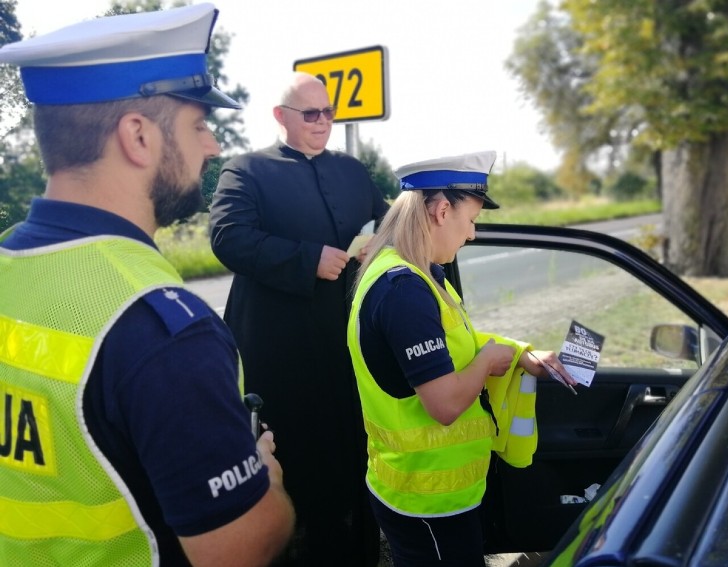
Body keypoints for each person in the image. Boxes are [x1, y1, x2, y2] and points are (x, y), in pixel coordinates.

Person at [0, 5, 295, 565]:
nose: (212, 147)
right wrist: (267, 479)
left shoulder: (10, 259)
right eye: (198, 125)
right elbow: (240, 547)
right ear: (137, 135)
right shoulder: (160, 331)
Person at [346, 151, 578, 566]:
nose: (470, 235)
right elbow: (446, 404)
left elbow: (457, 341)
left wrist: (517, 353)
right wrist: (487, 362)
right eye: (470, 222)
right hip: (429, 501)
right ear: (440, 211)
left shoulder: (409, 272)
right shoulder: (405, 291)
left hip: (428, 489)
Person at [208, 71, 389, 566]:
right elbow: (227, 237)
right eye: (311, 113)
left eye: (329, 112)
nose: (323, 121)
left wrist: (381, 240)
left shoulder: (352, 170)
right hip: (280, 353)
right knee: (296, 468)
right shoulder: (246, 170)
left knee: (353, 460)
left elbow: (385, 220)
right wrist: (307, 258)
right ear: (280, 117)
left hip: (345, 345)